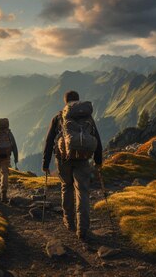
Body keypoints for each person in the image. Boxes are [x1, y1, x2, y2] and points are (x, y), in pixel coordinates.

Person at [42, 90, 103, 240]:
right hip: (83, 159)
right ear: (78, 101)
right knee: (82, 191)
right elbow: (97, 138)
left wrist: (45, 162)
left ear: (65, 102)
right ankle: (82, 228)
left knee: (66, 187)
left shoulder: (59, 117)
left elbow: (49, 141)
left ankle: (69, 221)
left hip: (63, 159)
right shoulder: (87, 118)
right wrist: (98, 161)